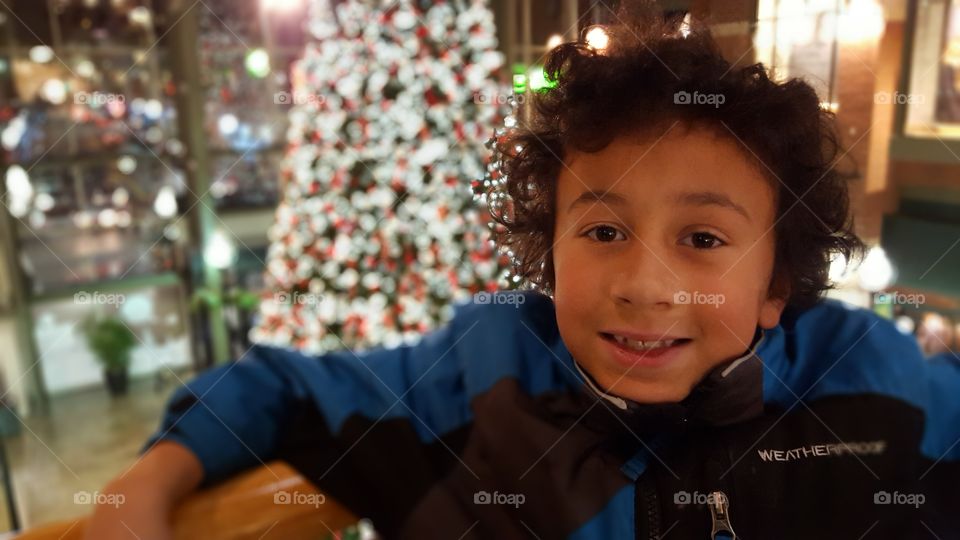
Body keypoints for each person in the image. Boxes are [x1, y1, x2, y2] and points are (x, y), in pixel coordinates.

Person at [87, 5, 960, 539]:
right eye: (605, 229)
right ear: (551, 252)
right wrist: (144, 487)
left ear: (776, 285)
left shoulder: (870, 381)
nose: (645, 284)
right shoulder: (479, 376)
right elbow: (281, 387)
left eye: (702, 239)